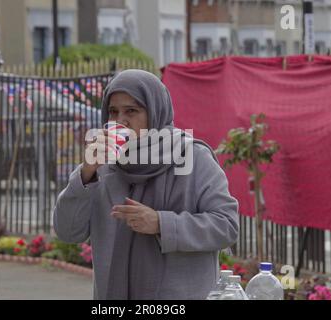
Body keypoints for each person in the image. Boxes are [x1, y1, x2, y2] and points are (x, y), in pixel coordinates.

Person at [53, 69, 239, 300]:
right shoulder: (103, 164)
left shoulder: (192, 156)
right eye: (113, 112)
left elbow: (227, 226)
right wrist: (85, 174)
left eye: (131, 110)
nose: (120, 120)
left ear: (154, 112)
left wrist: (162, 223)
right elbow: (67, 231)